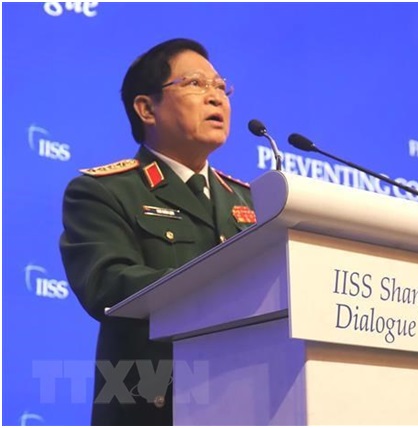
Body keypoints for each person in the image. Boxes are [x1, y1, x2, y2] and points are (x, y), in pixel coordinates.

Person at [59, 38, 256, 426]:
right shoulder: (104, 192)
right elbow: (107, 285)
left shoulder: (247, 199)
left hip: (249, 400)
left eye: (220, 86)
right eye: (196, 83)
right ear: (146, 109)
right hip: (153, 406)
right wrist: (221, 288)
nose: (215, 97)